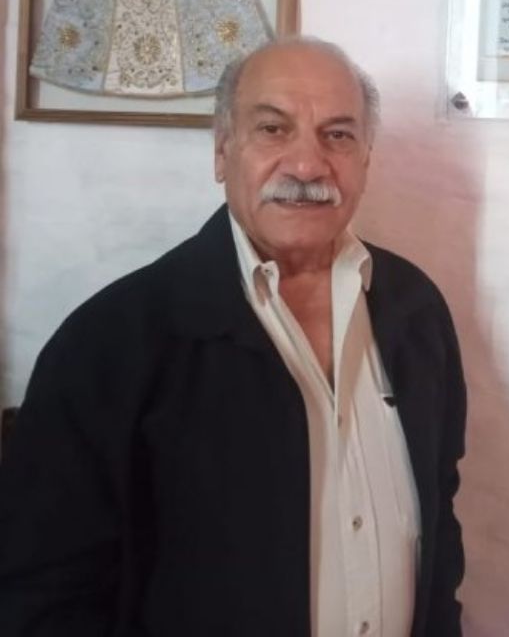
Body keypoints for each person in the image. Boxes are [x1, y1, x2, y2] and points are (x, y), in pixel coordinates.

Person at [0, 37, 466, 637]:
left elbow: (439, 516)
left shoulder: (416, 309)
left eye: (338, 135)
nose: (307, 166)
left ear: (366, 159)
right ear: (222, 151)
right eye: (273, 130)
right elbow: (44, 595)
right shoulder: (107, 344)